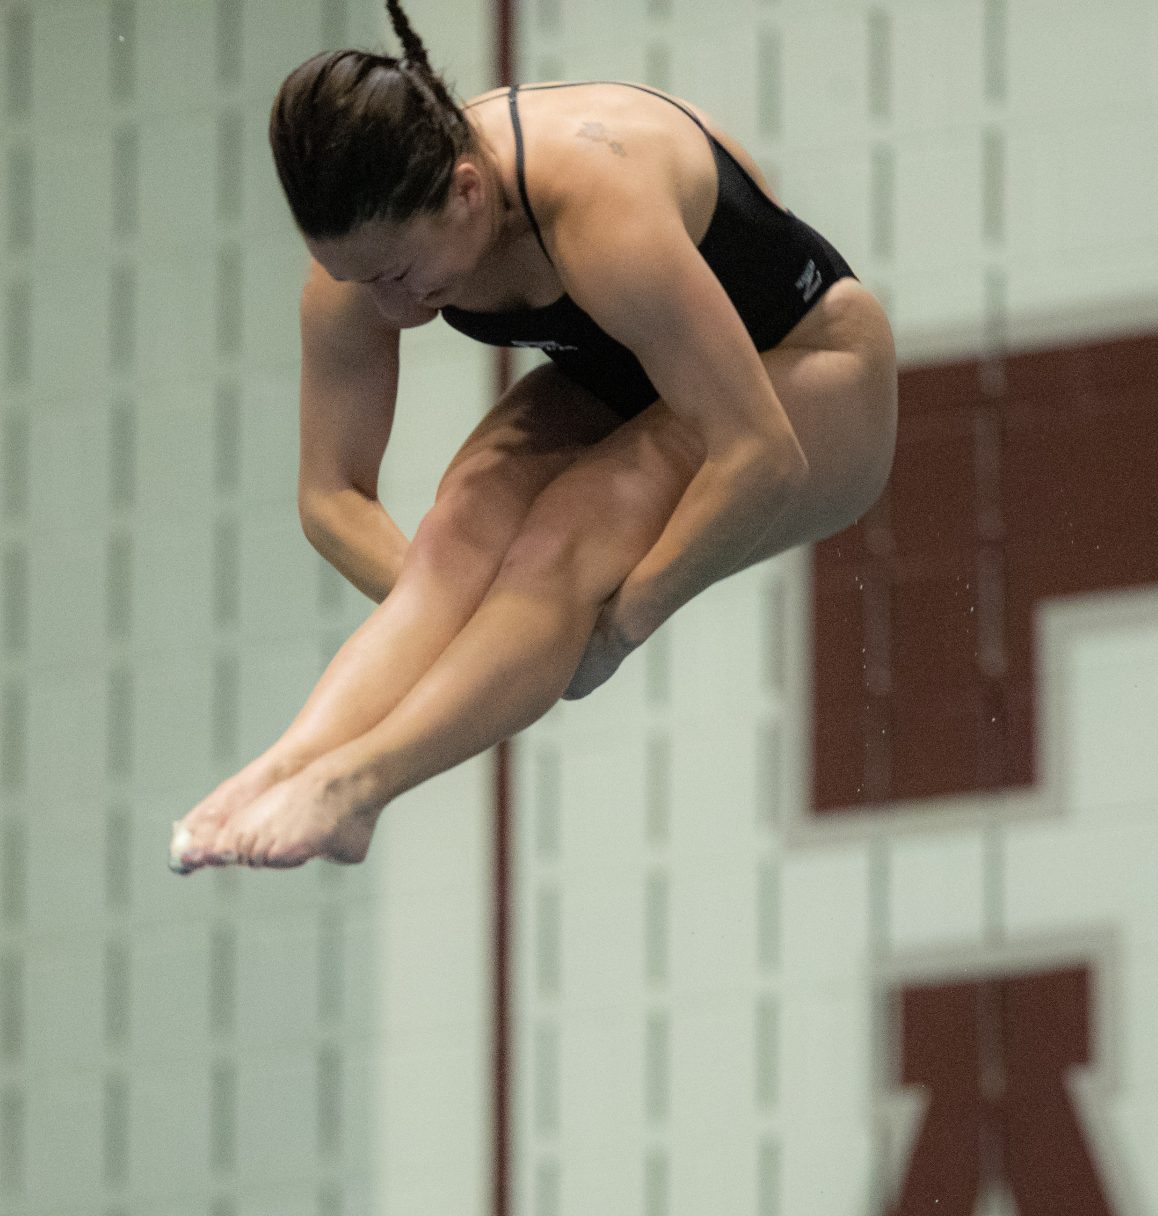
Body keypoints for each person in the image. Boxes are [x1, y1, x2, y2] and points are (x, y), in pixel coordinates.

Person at [171, 0, 897, 872]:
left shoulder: (595, 204)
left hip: (812, 377)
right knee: (462, 523)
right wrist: (471, 617)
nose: (389, 309)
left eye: (403, 275)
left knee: (566, 537)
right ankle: (293, 762)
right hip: (628, 373)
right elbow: (331, 499)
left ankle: (355, 790)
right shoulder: (363, 263)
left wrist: (616, 626)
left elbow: (760, 457)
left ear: (469, 193)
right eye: (358, 280)